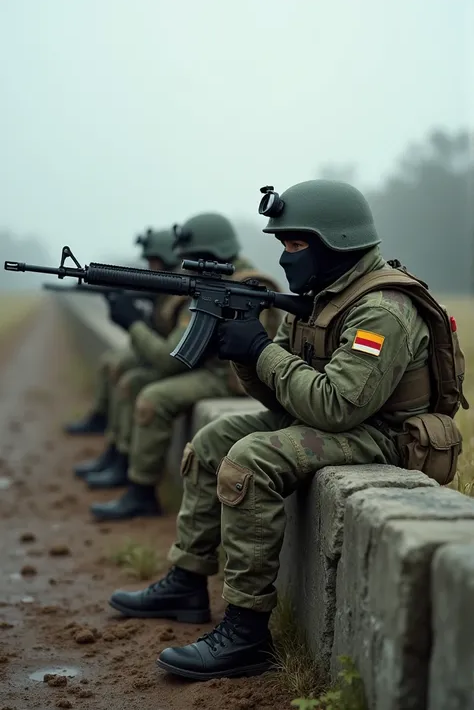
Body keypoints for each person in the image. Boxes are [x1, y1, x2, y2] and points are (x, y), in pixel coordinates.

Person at [106, 178, 467, 681]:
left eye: (296, 245)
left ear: (336, 242)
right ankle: (188, 580)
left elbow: (338, 406)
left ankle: (247, 631)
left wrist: (261, 349)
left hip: (386, 436)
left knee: (253, 458)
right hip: (341, 421)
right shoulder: (323, 294)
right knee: (214, 441)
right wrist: (246, 352)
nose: (285, 258)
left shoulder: (381, 311)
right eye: (282, 245)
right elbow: (283, 395)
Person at [83, 213, 282, 521]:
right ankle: (122, 460)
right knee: (135, 381)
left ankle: (142, 492)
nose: (182, 263)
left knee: (155, 397)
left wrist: (133, 323)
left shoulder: (248, 285)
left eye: (189, 256)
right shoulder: (219, 280)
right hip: (214, 371)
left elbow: (169, 359)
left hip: (234, 380)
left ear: (211, 253)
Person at [64, 227, 179, 438]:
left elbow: (168, 355)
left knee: (130, 378)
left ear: (169, 260)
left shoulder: (181, 295)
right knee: (113, 362)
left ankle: (122, 453)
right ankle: (107, 432)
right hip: (166, 359)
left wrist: (134, 322)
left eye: (155, 261)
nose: (150, 267)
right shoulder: (164, 294)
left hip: (178, 365)